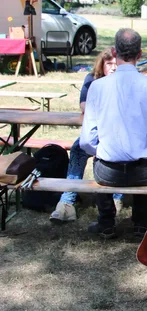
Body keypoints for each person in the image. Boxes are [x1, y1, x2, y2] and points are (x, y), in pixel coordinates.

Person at [80, 29, 147, 238]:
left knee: (100, 158)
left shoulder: (97, 87)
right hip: (145, 172)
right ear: (140, 54)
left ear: (114, 51)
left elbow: (87, 140)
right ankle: (140, 222)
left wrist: (103, 150)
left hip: (107, 172)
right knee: (145, 157)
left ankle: (106, 222)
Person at [50, 48, 123, 222]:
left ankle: (117, 198)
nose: (113, 68)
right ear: (102, 64)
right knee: (78, 148)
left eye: (116, 64)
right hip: (97, 132)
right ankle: (67, 202)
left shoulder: (124, 82)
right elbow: (84, 105)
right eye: (109, 64)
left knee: (121, 153)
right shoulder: (92, 79)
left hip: (119, 135)